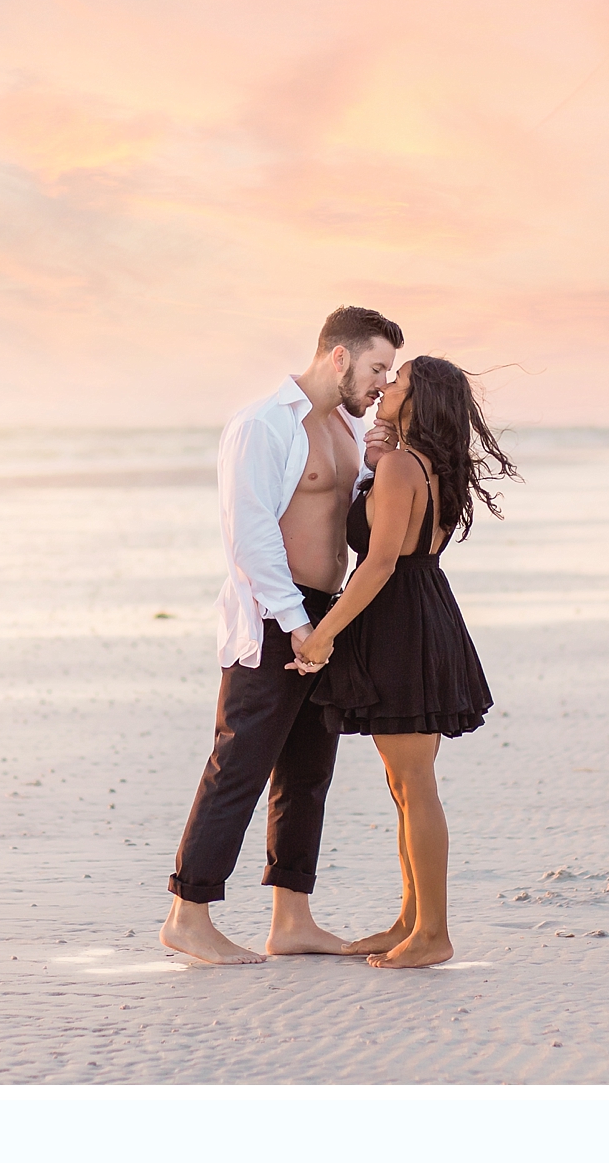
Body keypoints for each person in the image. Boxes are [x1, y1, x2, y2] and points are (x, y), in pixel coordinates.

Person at [159, 306, 405, 965]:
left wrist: (378, 469)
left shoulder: (344, 429)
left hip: (327, 617)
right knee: (240, 763)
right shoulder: (261, 425)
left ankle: (291, 919)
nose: (382, 383)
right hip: (275, 619)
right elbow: (252, 534)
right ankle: (189, 914)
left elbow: (344, 517)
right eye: (377, 367)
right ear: (338, 356)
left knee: (307, 773)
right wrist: (295, 625)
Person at [289, 354, 519, 968]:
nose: (386, 384)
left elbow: (380, 562)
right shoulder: (420, 464)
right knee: (403, 785)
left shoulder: (401, 467)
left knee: (415, 785)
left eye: (400, 380)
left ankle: (434, 933)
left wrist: (322, 635)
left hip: (402, 624)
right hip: (420, 614)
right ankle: (410, 920)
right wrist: (373, 463)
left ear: (420, 401)